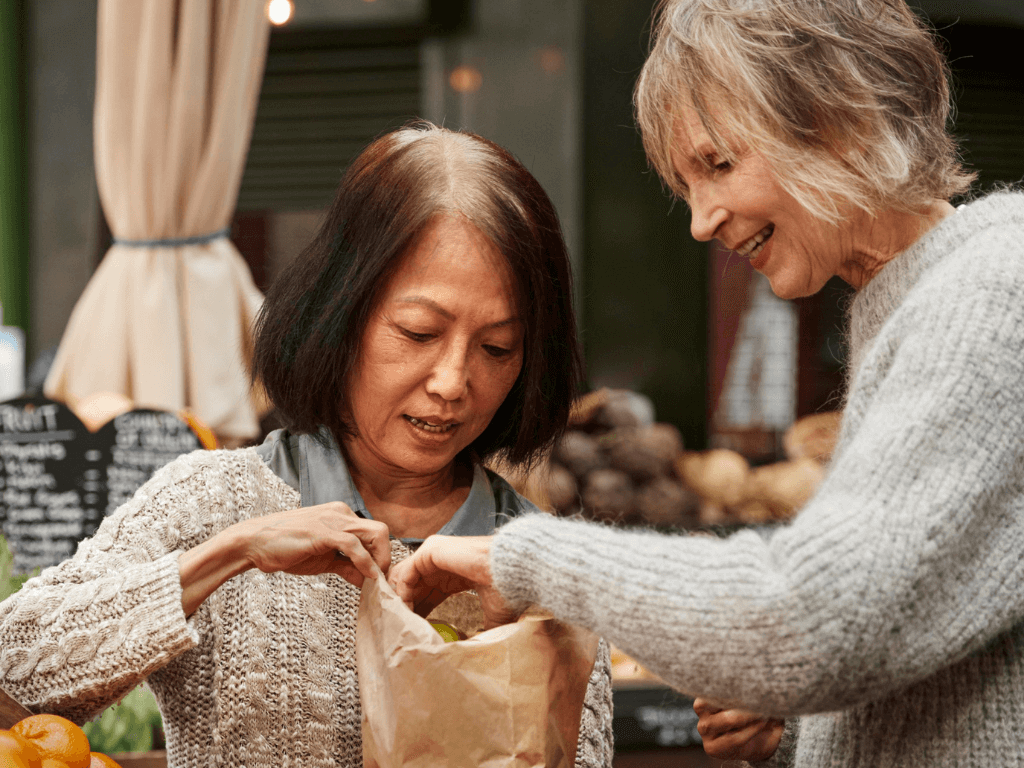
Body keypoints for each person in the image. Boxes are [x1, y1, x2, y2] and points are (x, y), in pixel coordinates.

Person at [389, 2, 1024, 766]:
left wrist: (522, 561)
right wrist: (796, 729)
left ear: (844, 120)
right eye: (686, 183)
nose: (700, 220)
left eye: (719, 165)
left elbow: (811, 622)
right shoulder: (928, 301)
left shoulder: (988, 296)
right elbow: (919, 628)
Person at [0, 123, 615, 768]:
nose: (453, 381)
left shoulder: (545, 566)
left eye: (497, 348)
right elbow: (11, 676)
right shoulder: (212, 501)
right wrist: (230, 554)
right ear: (339, 315)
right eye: (418, 333)